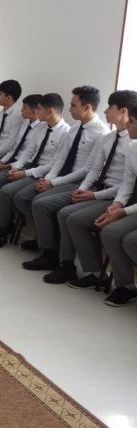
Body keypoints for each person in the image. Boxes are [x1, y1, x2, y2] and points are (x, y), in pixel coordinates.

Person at [38, 90, 137, 285]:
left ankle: (93, 272)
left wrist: (97, 197)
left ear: (124, 111)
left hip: (113, 196)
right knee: (64, 213)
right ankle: (66, 264)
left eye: (110, 107)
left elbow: (126, 184)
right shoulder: (108, 138)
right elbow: (94, 169)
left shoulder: (130, 143)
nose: (105, 111)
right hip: (102, 191)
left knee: (73, 218)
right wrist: (83, 190)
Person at [21, 85, 108, 269]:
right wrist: (49, 179)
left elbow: (88, 170)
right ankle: (49, 243)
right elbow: (60, 158)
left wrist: (54, 182)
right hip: (64, 178)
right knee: (33, 197)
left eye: (73, 105)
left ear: (87, 107)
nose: (69, 109)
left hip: (82, 183)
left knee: (41, 203)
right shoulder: (74, 129)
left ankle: (50, 254)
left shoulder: (102, 133)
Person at [0, 93, 70, 248]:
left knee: (14, 194)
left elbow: (54, 165)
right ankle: (3, 227)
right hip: (29, 168)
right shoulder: (42, 127)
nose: (37, 112)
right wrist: (16, 167)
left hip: (44, 174)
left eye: (40, 109)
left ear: (50, 111)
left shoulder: (66, 133)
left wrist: (24, 173)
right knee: (4, 189)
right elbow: (29, 151)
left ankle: (47, 232)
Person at [92, 106, 137, 306]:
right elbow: (128, 182)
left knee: (130, 241)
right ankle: (126, 286)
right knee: (110, 232)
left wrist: (123, 211)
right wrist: (116, 205)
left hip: (133, 208)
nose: (128, 125)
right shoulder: (133, 147)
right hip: (132, 205)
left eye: (132, 122)